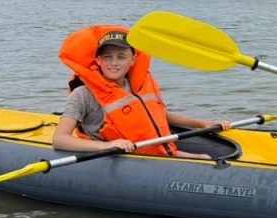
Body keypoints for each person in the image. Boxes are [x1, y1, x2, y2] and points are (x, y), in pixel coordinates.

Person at [52, 25, 228, 159]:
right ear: (98, 60)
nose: (114, 63)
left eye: (121, 57)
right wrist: (107, 145)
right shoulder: (82, 94)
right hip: (111, 155)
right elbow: (60, 139)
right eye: (107, 57)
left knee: (205, 158)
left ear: (132, 60)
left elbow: (160, 114)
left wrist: (203, 124)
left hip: (149, 152)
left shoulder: (136, 87)